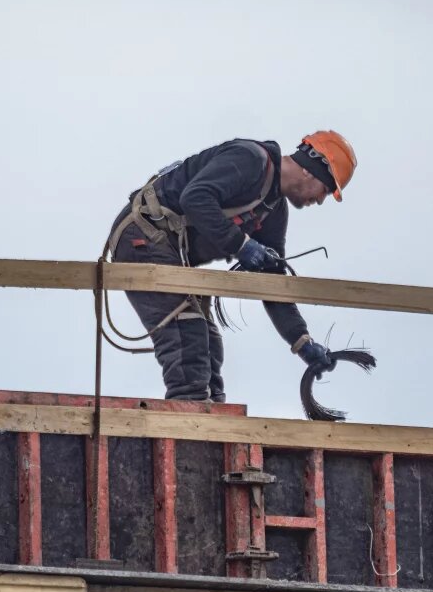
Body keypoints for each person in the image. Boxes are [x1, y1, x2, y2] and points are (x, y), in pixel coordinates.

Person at [105, 131, 357, 402]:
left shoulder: (272, 210)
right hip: (143, 234)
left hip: (168, 250)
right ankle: (189, 422)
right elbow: (196, 197)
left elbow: (271, 281)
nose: (320, 200)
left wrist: (301, 341)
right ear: (312, 171)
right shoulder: (250, 160)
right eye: (326, 190)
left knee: (209, 342)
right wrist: (240, 244)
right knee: (187, 332)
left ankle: (210, 420)